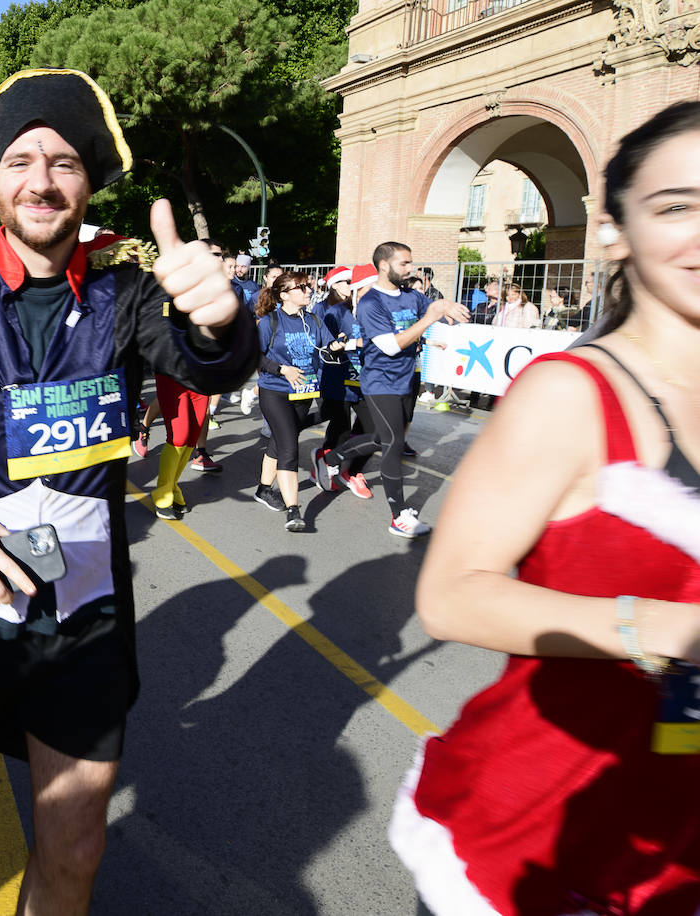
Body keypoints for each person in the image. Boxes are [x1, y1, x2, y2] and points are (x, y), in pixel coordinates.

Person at [0, 68, 254, 913]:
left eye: (65, 162)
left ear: (90, 181)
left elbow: (211, 362)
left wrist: (223, 319)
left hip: (86, 615)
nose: (42, 180)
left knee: (74, 848)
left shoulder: (129, 287)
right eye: (22, 161)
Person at [391, 100, 700, 916]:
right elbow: (452, 594)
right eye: (677, 208)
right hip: (539, 840)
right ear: (615, 232)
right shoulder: (571, 393)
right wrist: (666, 630)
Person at [314, 242, 469, 537]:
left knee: (382, 439)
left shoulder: (412, 296)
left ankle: (331, 459)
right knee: (394, 443)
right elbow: (390, 346)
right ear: (384, 265)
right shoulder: (372, 303)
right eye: (404, 264)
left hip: (406, 379)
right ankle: (399, 516)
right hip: (379, 380)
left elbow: (439, 313)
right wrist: (430, 317)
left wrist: (447, 308)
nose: (411, 269)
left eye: (411, 263)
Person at [252, 271, 345, 530]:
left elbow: (326, 346)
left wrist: (336, 346)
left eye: (307, 286)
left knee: (279, 442)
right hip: (275, 391)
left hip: (303, 393)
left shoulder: (313, 319)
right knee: (289, 447)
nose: (308, 290)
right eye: (301, 287)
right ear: (284, 295)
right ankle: (293, 511)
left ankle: (262, 490)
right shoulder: (269, 322)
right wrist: (282, 369)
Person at [313, 265, 374, 499]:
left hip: (368, 378)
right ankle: (329, 463)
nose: (348, 286)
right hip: (339, 376)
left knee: (373, 429)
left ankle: (351, 469)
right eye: (345, 282)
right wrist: (349, 343)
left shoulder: (375, 310)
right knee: (340, 427)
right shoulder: (334, 312)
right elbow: (326, 345)